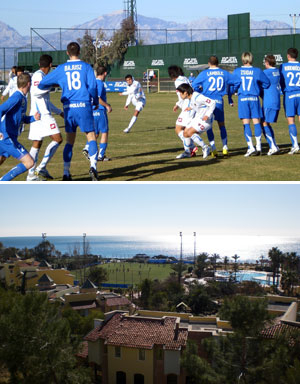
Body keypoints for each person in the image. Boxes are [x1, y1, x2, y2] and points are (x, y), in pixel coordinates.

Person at [38, 42, 99, 181]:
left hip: (69, 108)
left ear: (67, 53)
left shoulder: (61, 68)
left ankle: (66, 173)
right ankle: (93, 167)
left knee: (69, 142)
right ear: (80, 52)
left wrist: (59, 83)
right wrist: (95, 101)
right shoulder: (86, 67)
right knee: (91, 137)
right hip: (83, 105)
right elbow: (93, 87)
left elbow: (42, 84)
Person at [27, 54, 64, 181]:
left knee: (37, 143)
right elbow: (36, 91)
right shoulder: (38, 75)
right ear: (50, 65)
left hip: (38, 115)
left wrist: (59, 112)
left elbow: (45, 101)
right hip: (42, 115)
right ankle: (41, 168)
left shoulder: (41, 76)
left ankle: (31, 175)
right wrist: (53, 85)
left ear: (39, 64)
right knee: (58, 139)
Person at [0, 73, 40, 181]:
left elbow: (22, 118)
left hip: (8, 137)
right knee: (29, 162)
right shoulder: (17, 97)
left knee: (1, 159)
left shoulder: (22, 98)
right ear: (28, 84)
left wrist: (33, 118)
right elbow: (1, 109)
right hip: (7, 138)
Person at [192, 55, 234, 157]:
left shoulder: (204, 73)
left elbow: (194, 85)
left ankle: (214, 148)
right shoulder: (224, 73)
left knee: (208, 126)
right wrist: (230, 95)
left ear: (209, 63)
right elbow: (235, 82)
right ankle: (225, 148)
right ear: (218, 63)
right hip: (219, 101)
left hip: (207, 102)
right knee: (222, 125)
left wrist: (201, 91)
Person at [231, 52, 270, 157]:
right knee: (256, 122)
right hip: (254, 98)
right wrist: (258, 87)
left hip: (243, 98)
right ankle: (258, 146)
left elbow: (232, 85)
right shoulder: (257, 71)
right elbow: (267, 83)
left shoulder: (237, 71)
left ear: (242, 59)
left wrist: (234, 91)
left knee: (246, 123)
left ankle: (251, 147)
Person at [176, 83, 216, 159]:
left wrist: (207, 115)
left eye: (181, 93)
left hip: (206, 120)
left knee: (190, 132)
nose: (180, 95)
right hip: (198, 118)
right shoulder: (191, 98)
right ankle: (188, 152)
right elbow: (197, 105)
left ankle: (205, 147)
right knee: (185, 133)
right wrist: (190, 108)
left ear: (185, 93)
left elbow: (212, 102)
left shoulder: (198, 97)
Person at [168, 65, 200, 159]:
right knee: (184, 129)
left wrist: (179, 104)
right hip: (190, 105)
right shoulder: (184, 78)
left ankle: (190, 149)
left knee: (178, 128)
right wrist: (178, 104)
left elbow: (184, 93)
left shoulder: (178, 81)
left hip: (187, 107)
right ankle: (190, 149)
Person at [82, 65, 112, 161]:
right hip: (99, 110)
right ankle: (100, 155)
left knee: (96, 132)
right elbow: (97, 98)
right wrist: (107, 105)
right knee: (104, 132)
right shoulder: (99, 83)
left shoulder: (92, 82)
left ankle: (87, 148)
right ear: (105, 73)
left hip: (92, 110)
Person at [279, 47, 300, 154]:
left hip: (290, 95)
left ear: (288, 55)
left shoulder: (283, 66)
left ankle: (295, 145)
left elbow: (281, 81)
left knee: (291, 120)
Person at [261, 54, 280, 156]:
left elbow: (261, 83)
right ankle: (274, 145)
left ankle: (272, 146)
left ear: (267, 63)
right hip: (276, 100)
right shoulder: (277, 71)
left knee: (263, 123)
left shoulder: (265, 72)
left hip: (269, 101)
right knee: (266, 123)